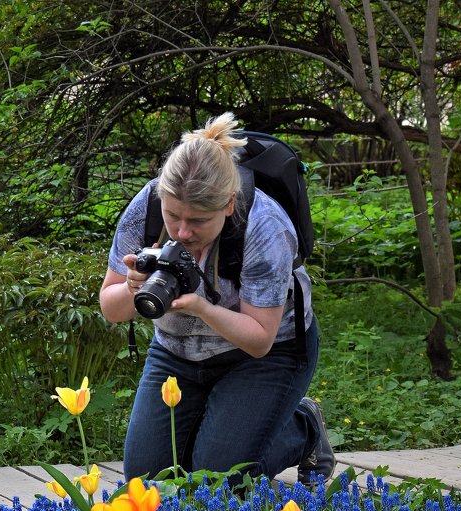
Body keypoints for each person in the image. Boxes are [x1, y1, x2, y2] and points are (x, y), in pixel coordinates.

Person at [100, 112, 334, 486]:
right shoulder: (145, 208)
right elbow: (111, 309)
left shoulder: (264, 227)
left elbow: (259, 340)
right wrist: (132, 287)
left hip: (269, 355)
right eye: (173, 215)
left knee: (216, 482)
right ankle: (223, 433)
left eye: (198, 221)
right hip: (177, 351)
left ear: (228, 204)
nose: (182, 230)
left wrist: (200, 306)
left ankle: (304, 428)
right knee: (144, 482)